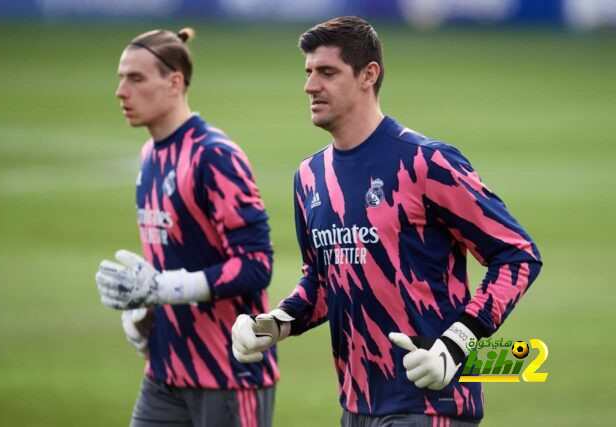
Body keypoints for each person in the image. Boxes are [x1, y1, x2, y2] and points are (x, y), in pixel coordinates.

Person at [231, 16, 542, 426]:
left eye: (327, 72)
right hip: (356, 406)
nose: (309, 86)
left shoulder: (427, 163)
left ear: (368, 75)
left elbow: (518, 255)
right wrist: (274, 323)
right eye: (307, 72)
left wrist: (456, 344)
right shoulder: (309, 176)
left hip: (431, 407)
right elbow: (322, 281)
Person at [94, 27, 277, 427]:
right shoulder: (150, 154)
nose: (121, 92)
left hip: (229, 376)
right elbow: (174, 257)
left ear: (174, 82)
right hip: (164, 373)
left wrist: (166, 288)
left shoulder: (215, 157)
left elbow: (256, 264)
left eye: (136, 79)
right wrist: (144, 312)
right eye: (121, 78)